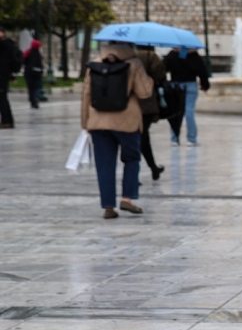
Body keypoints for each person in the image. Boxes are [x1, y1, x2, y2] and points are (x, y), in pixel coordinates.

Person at [81, 42, 154, 219]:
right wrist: (148, 77)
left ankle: (108, 206)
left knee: (104, 164)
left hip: (98, 121)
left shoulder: (94, 64)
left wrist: (86, 123)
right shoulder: (134, 64)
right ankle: (127, 198)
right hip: (126, 121)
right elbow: (145, 93)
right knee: (131, 158)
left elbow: (86, 95)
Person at [163, 47, 209, 146]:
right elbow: (202, 70)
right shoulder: (193, 55)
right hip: (190, 85)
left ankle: (174, 138)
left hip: (175, 86)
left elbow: (163, 68)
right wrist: (205, 84)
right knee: (189, 112)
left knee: (176, 112)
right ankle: (191, 139)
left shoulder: (172, 54)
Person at [136, 45, 167, 180]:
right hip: (147, 102)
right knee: (142, 137)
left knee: (140, 137)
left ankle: (153, 167)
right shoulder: (151, 56)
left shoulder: (129, 56)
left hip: (130, 102)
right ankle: (138, 173)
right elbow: (161, 76)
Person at [0, 28, 20, 129]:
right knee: (3, 98)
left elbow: (5, 63)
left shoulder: (6, 44)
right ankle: (7, 121)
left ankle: (7, 121)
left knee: (2, 98)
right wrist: (11, 77)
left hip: (2, 76)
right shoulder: (6, 46)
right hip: (4, 75)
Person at [23, 39, 45, 108]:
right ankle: (36, 98)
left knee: (31, 88)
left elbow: (23, 60)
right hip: (37, 73)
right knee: (37, 87)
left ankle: (32, 100)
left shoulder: (28, 52)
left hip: (29, 73)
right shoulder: (39, 53)